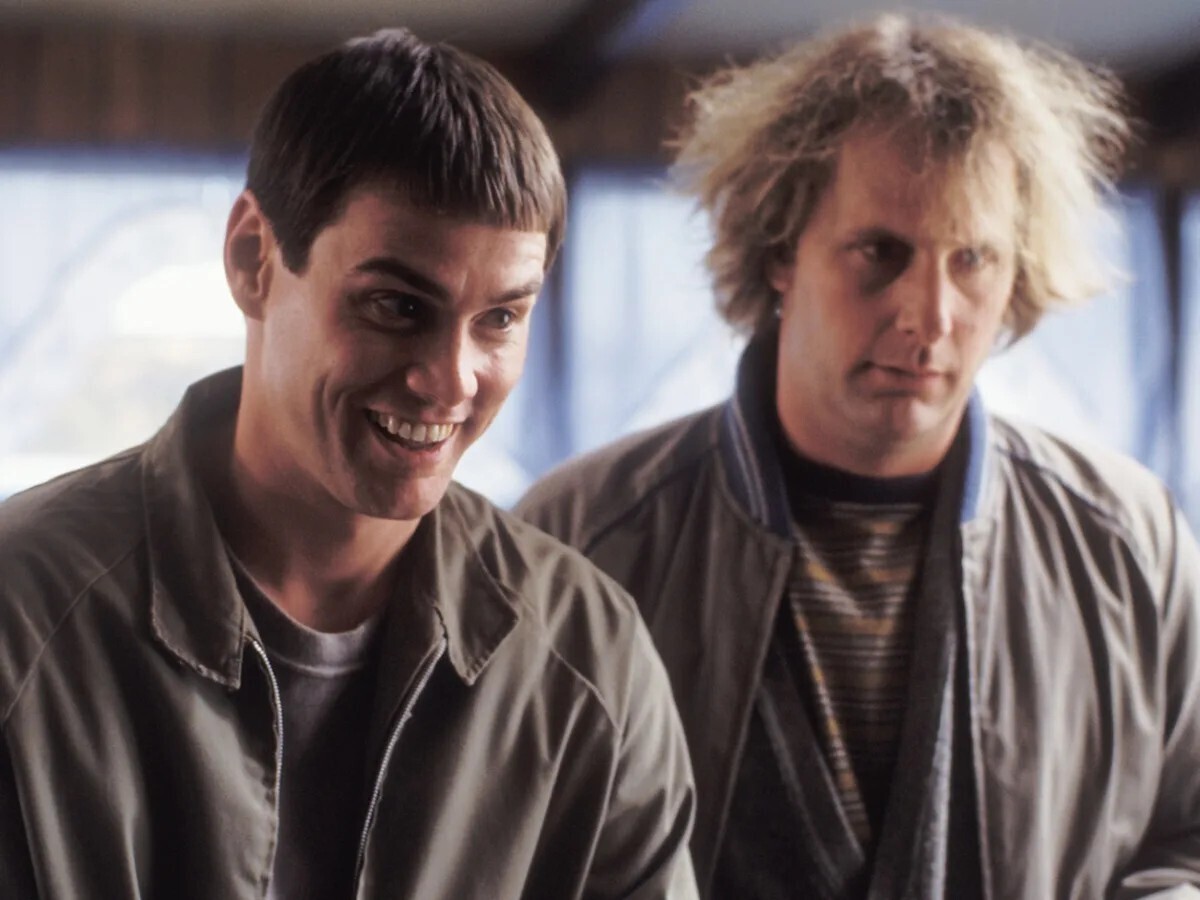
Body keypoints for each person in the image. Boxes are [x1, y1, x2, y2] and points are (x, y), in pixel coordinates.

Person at [0, 29, 698, 899]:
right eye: (396, 306)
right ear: (253, 259)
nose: (451, 380)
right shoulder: (21, 615)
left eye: (501, 319)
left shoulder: (592, 658)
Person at [517, 13, 1200, 899]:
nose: (930, 315)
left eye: (972, 259)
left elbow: (1187, 834)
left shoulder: (1130, 544)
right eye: (881, 251)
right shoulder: (578, 541)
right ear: (780, 251)